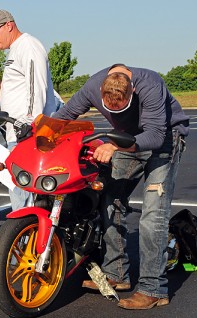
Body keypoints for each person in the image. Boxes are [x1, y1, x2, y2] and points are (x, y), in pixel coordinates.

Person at [53, 63, 189, 310]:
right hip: (127, 139)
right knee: (109, 202)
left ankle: (153, 289)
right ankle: (116, 273)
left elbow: (156, 136)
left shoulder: (150, 84)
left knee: (152, 215)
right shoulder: (93, 85)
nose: (115, 111)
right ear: (101, 93)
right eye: (109, 108)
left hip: (164, 142)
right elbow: (65, 115)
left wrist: (114, 146)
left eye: (122, 107)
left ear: (132, 91)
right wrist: (40, 133)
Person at [0, 9, 56, 210]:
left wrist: (30, 124)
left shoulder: (28, 46)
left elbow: (35, 88)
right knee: (18, 192)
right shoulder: (16, 49)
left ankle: (23, 238)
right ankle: (22, 238)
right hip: (16, 132)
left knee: (24, 196)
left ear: (9, 25)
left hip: (27, 133)